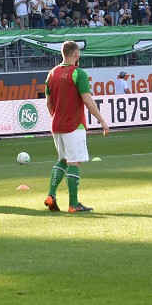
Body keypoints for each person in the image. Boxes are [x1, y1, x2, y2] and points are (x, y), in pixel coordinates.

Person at [44, 41, 109, 213]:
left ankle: (51, 195)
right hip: (74, 124)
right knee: (74, 162)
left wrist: (57, 117)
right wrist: (102, 121)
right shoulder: (78, 73)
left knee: (62, 160)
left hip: (56, 124)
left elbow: (48, 103)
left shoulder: (51, 74)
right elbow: (87, 99)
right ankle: (73, 204)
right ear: (76, 54)